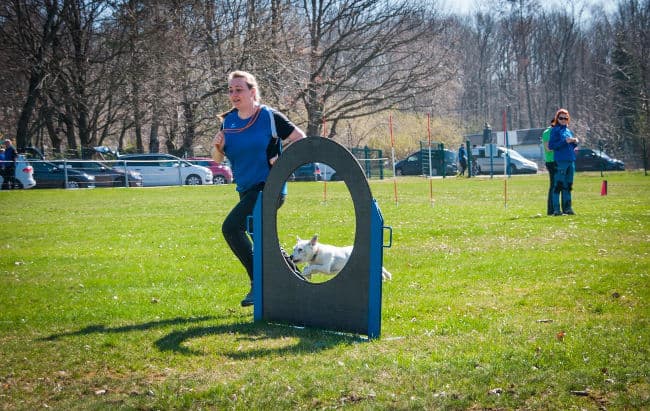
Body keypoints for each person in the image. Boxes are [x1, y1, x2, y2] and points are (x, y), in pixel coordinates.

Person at [213, 71, 306, 307]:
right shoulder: (228, 121)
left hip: (269, 187)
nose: (234, 94)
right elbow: (217, 158)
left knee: (231, 228)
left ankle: (258, 283)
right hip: (245, 189)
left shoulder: (269, 117)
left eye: (239, 89)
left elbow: (301, 138)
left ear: (252, 91)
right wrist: (217, 146)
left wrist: (281, 160)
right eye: (231, 90)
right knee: (265, 239)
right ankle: (295, 277)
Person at [548, 109, 578, 216]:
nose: (563, 120)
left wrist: (575, 142)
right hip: (560, 162)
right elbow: (551, 146)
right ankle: (556, 210)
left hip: (571, 161)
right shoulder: (555, 130)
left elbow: (571, 145)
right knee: (558, 186)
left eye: (566, 118)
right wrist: (565, 141)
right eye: (561, 118)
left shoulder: (568, 131)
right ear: (557, 119)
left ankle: (568, 209)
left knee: (568, 186)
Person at [541, 118, 557, 215]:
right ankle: (551, 210)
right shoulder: (547, 132)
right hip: (551, 161)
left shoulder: (560, 132)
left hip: (560, 161)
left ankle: (558, 208)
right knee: (554, 186)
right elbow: (548, 148)